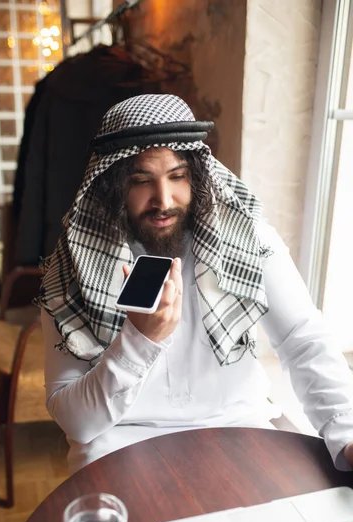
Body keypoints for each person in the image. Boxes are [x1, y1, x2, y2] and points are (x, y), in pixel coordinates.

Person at [38, 93, 353, 474]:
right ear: (113, 184)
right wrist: (139, 340)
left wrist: (347, 435)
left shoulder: (247, 240)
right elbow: (77, 422)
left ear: (197, 174)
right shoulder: (74, 263)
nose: (163, 200)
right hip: (119, 445)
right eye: (141, 181)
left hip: (239, 429)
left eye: (177, 176)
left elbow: (304, 341)